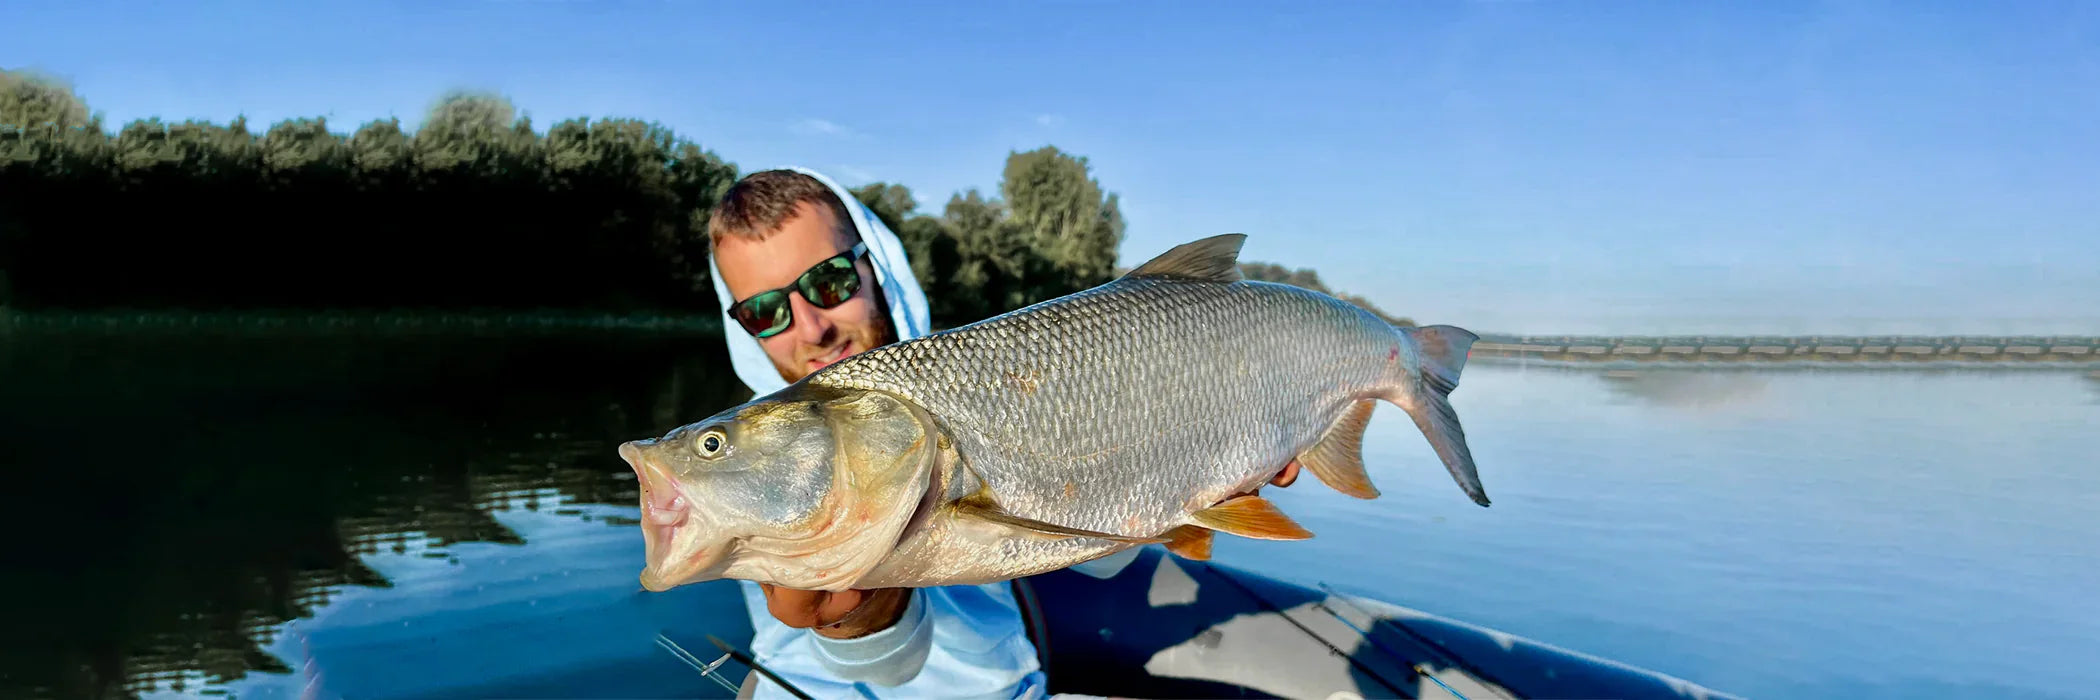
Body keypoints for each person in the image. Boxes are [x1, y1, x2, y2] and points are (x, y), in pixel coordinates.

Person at [701, 167, 1299, 698]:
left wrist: (1182, 480)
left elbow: (1099, 565)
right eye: (764, 312)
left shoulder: (995, 374)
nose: (811, 327)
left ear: (874, 266)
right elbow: (889, 672)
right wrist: (858, 619)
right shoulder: (764, 454)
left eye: (829, 282)